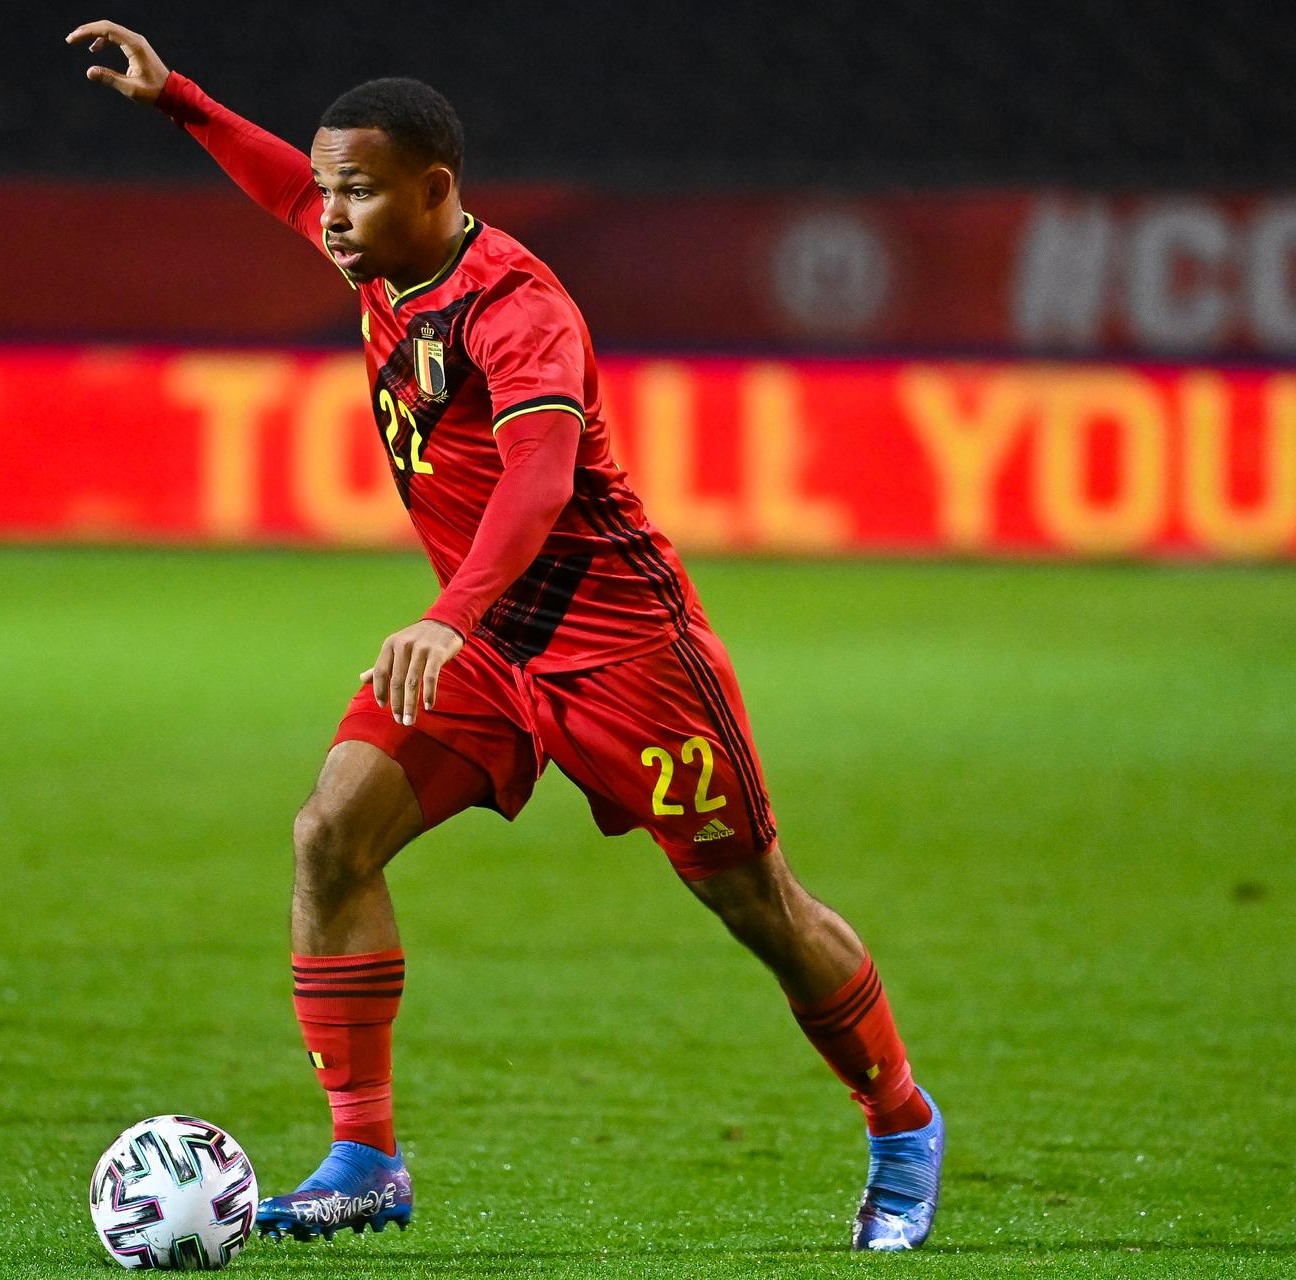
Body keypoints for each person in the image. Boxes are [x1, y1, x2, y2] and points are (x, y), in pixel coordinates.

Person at [68, 19, 945, 1252]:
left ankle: (901, 1122)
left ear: (436, 190)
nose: (329, 214)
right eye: (327, 188)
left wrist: (445, 611)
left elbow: (536, 481)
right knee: (330, 832)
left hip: (624, 652)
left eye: (357, 191)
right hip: (488, 648)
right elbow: (284, 188)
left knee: (757, 903)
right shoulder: (374, 255)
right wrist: (183, 103)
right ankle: (365, 1156)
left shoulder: (517, 308)